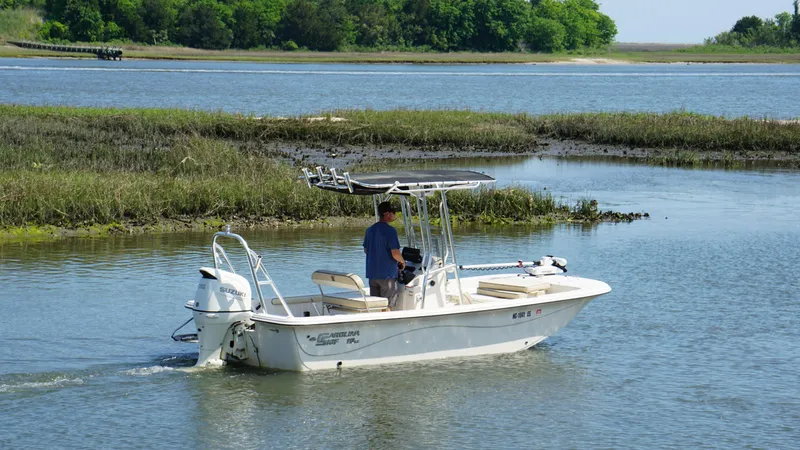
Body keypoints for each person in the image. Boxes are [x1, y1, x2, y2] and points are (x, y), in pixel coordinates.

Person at [363, 201, 406, 308]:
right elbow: (395, 253)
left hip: (372, 274)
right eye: (393, 212)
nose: (394, 215)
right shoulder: (390, 231)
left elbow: (366, 250)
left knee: (376, 305)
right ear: (387, 214)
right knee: (388, 306)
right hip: (387, 276)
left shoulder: (370, 230)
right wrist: (402, 262)